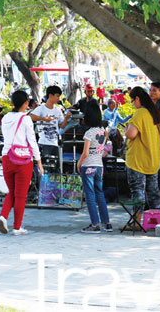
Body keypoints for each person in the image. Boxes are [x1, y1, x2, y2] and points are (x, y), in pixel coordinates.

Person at [0, 90, 42, 235]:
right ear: (26, 103)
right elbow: (32, 141)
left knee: (12, 192)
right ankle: (17, 227)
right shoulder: (26, 119)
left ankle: (3, 216)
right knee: (21, 195)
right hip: (23, 160)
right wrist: (39, 162)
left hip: (7, 156)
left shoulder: (5, 118)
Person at [124, 87, 160, 229]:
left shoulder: (140, 113)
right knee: (153, 191)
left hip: (138, 160)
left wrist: (126, 129)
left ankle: (136, 222)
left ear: (138, 99)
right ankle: (158, 221)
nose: (133, 103)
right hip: (153, 158)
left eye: (133, 100)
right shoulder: (157, 113)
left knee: (137, 191)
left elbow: (131, 134)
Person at [76, 104, 112, 233]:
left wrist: (78, 164)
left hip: (88, 166)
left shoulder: (89, 133)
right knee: (100, 194)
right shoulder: (103, 131)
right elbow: (102, 148)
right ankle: (107, 223)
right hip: (99, 166)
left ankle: (95, 224)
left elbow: (85, 153)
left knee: (90, 196)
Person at [30, 86, 72, 158]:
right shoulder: (41, 108)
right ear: (50, 95)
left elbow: (62, 126)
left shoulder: (58, 110)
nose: (58, 98)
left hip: (55, 143)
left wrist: (66, 118)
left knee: (57, 166)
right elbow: (31, 116)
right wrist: (44, 119)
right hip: (44, 143)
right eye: (57, 96)